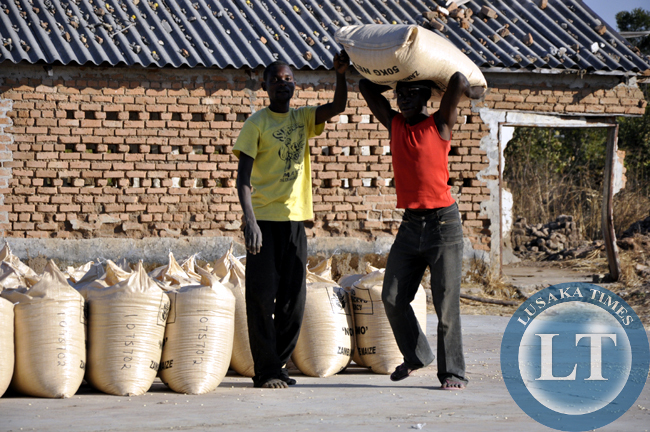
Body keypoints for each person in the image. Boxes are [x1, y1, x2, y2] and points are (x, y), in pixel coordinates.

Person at [359, 73, 484, 390]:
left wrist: (463, 88)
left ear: (427, 96)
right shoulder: (395, 124)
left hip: (444, 225)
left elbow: (456, 79)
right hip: (411, 224)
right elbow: (365, 87)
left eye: (411, 94)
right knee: (391, 296)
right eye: (399, 95)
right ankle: (416, 355)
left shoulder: (440, 124)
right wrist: (398, 76)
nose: (402, 99)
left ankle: (453, 372)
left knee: (446, 304)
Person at [233, 52, 349, 389]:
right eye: (276, 80)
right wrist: (250, 222)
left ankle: (278, 364)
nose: (283, 84)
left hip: (295, 222)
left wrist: (341, 75)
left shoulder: (303, 119)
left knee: (293, 300)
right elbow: (243, 180)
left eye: (288, 79)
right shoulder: (257, 123)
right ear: (264, 86)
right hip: (264, 223)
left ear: (294, 85)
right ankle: (266, 370)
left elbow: (337, 106)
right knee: (260, 297)